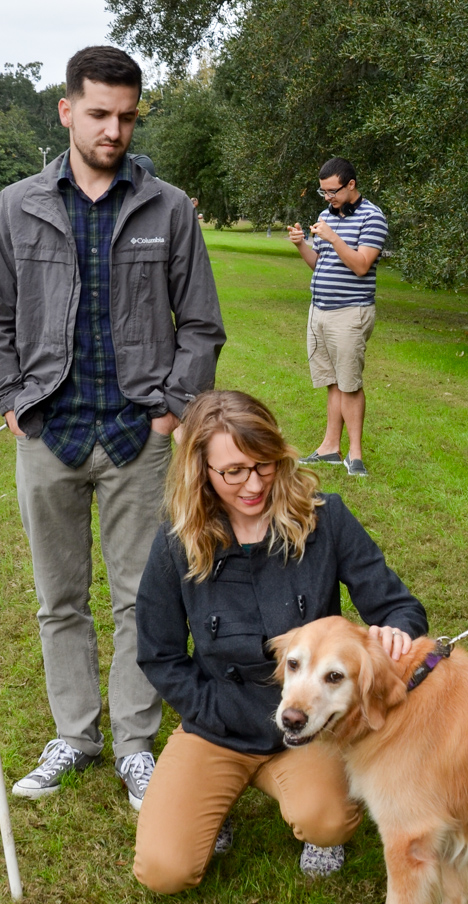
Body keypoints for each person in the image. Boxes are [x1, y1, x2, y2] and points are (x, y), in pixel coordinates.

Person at [0, 46, 225, 809]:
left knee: (142, 599)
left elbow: (200, 326)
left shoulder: (169, 207)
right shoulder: (15, 206)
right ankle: (74, 733)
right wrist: (12, 397)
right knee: (58, 599)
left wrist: (170, 409)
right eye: (99, 113)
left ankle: (134, 744)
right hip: (47, 431)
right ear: (67, 110)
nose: (114, 130)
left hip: (139, 437)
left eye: (127, 116)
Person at [132, 390, 426, 890]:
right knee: (164, 871)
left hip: (309, 725)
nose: (253, 484)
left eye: (263, 465)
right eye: (233, 472)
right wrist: (212, 709)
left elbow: (399, 607)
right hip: (217, 725)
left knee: (327, 820)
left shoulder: (325, 519)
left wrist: (397, 633)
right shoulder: (176, 545)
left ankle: (312, 809)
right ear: (201, 470)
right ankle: (213, 803)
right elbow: (159, 655)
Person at [288, 156, 387, 477]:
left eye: (332, 191)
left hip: (350, 313)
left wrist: (333, 237)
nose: (328, 197)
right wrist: (302, 244)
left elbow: (360, 265)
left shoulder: (373, 218)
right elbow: (321, 264)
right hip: (319, 311)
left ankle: (354, 456)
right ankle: (330, 448)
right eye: (323, 192)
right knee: (332, 382)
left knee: (350, 383)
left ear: (351, 185)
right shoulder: (325, 215)